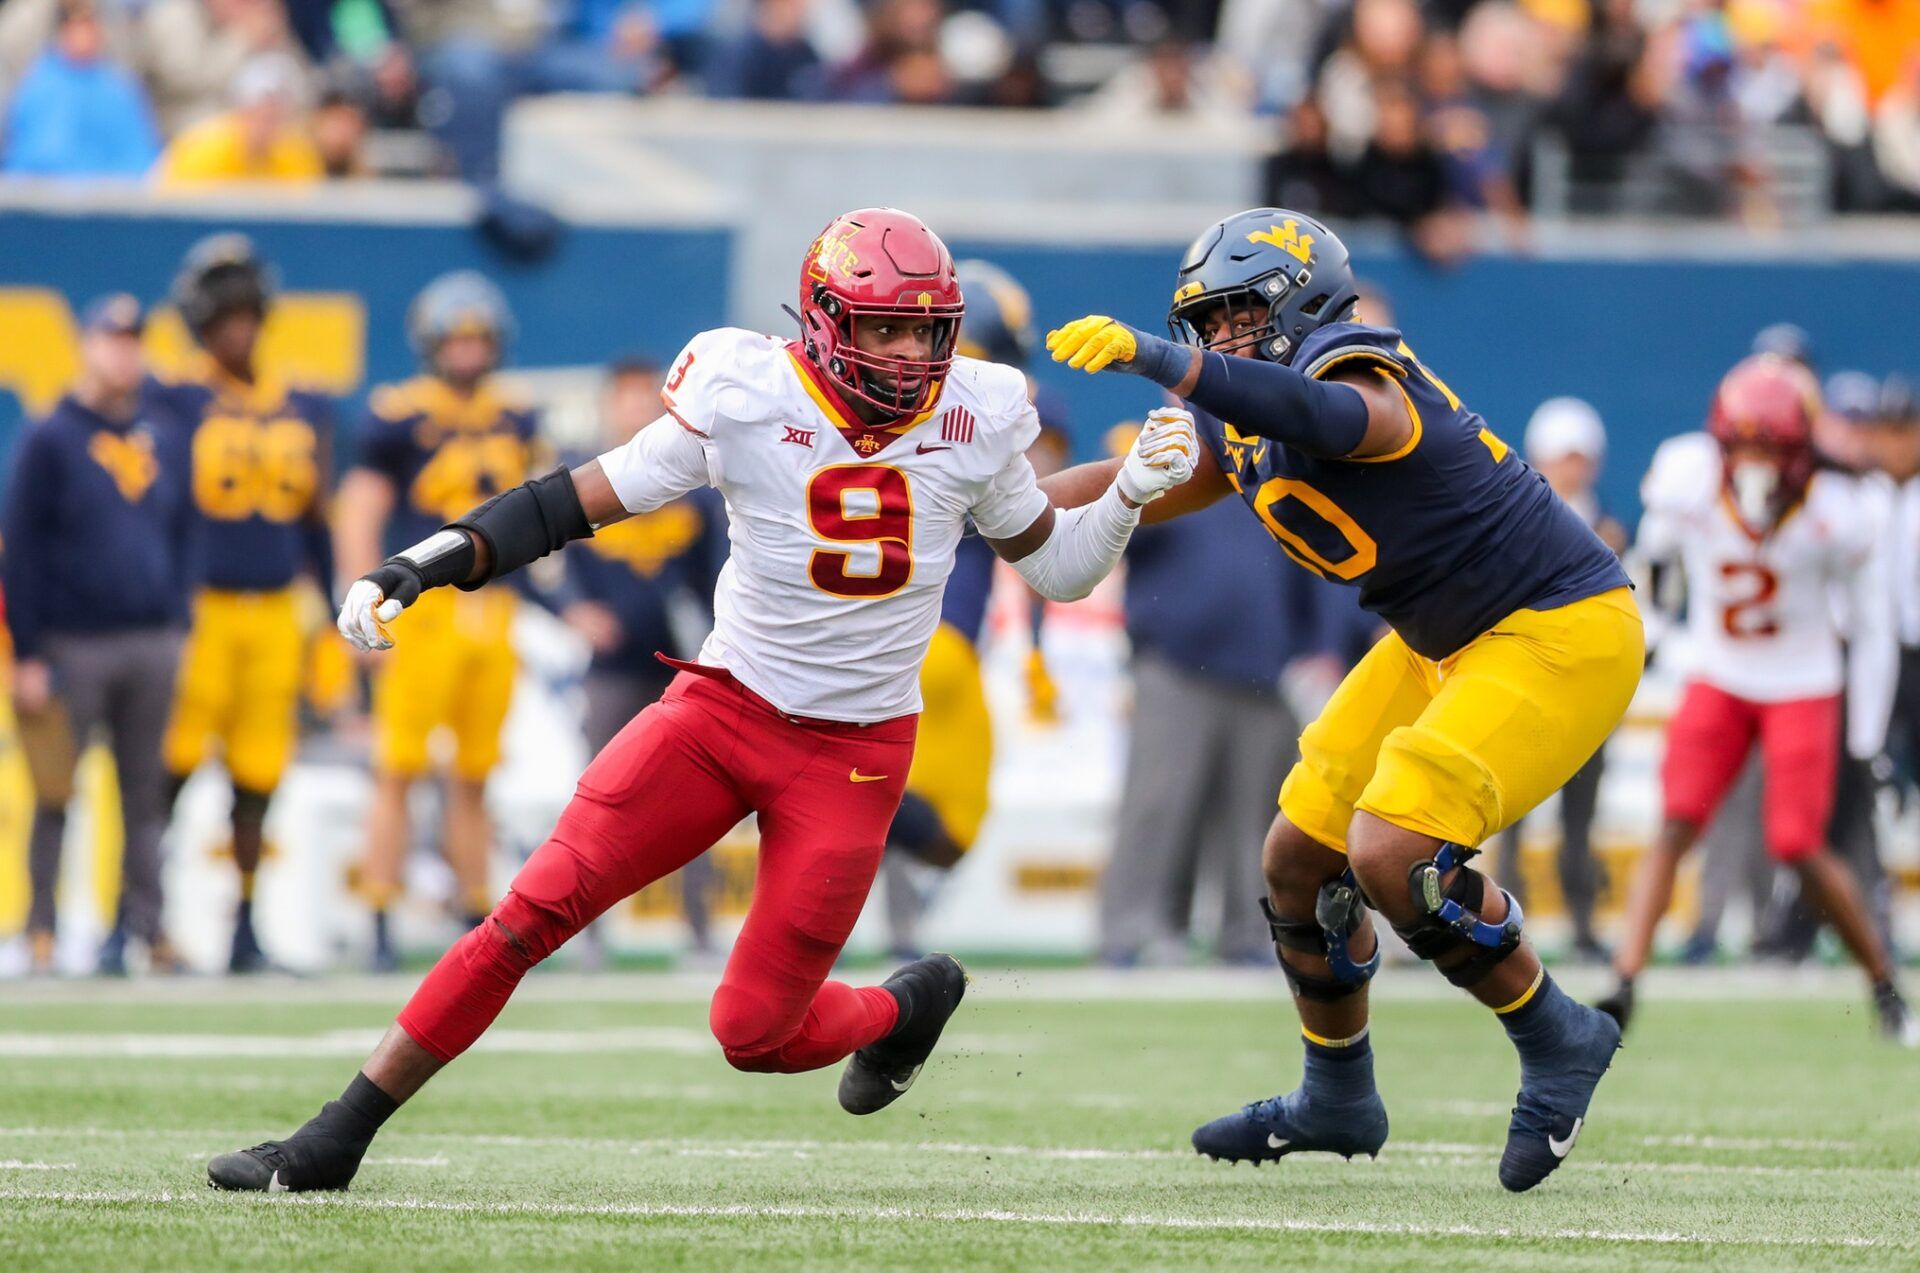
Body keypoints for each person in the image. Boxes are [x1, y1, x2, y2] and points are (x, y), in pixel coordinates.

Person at [206, 207, 1195, 1192]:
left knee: (753, 1032)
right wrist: (422, 563)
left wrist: (1124, 500)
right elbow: (571, 503)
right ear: (821, 322)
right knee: (528, 914)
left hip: (853, 757)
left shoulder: (977, 413)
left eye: (923, 330)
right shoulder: (746, 388)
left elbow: (1058, 571)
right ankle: (335, 1136)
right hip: (723, 713)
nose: (904, 354)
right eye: (880, 327)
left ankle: (901, 1008)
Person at [1042, 207, 1642, 1192]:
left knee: (1391, 848)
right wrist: (972, 511)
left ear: (1302, 298)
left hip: (1555, 626)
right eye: (1208, 322)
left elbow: (1337, 421)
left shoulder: (1360, 371)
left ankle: (1558, 1030)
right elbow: (1131, 482)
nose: (1223, 337)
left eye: (1241, 314)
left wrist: (1164, 360)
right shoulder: (1237, 412)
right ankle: (1337, 1092)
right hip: (1439, 640)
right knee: (1295, 856)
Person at [1602, 356, 1917, 1045]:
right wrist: (1654, 629)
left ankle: (1885, 984)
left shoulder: (1842, 509)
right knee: (1677, 818)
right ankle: (1623, 982)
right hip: (1719, 668)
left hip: (1802, 678)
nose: (1755, 464)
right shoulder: (1687, 478)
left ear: (1801, 449)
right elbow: (1655, 559)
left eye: (1770, 447)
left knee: (1798, 842)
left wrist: (1864, 738)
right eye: (1742, 446)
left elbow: (1870, 630)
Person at [145, 235, 335, 975]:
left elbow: (316, 515)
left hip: (278, 609)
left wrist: (336, 597)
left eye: (246, 313)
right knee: (171, 766)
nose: (238, 327)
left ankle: (244, 927)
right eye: (224, 316)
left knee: (260, 776)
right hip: (203, 609)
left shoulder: (302, 400)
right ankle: (143, 916)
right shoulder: (175, 397)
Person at [334, 271, 533, 971]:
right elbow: (358, 508)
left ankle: (476, 908)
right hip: (423, 610)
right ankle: (381, 911)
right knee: (399, 767)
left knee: (476, 773)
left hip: (494, 611)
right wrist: (363, 596)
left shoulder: (517, 414)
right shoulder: (398, 414)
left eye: (479, 338)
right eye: (458, 338)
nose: (469, 351)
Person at [2, 295, 193, 975]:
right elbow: (20, 550)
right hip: (71, 643)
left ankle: (148, 927)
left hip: (150, 638)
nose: (124, 353)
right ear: (87, 345)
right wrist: (25, 650)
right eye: (112, 339)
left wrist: (180, 621)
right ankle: (41, 930)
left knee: (145, 796)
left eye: (134, 340)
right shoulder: (51, 435)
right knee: (55, 790)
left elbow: (181, 533)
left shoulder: (163, 433)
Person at [562, 355, 727, 965]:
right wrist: (573, 609)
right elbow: (554, 570)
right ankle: (584, 933)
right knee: (597, 801)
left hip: (683, 670)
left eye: (643, 396)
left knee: (696, 803)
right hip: (613, 670)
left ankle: (701, 931)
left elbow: (720, 571)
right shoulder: (585, 481)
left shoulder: (695, 486)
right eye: (624, 396)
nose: (634, 407)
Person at [1488, 397, 1625, 962]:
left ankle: (1583, 921)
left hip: (1587, 692)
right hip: (1530, 688)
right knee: (1514, 815)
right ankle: (1505, 918)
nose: (1571, 468)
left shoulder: (1611, 529)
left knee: (1580, 818)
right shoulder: (1516, 520)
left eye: (1578, 457)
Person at [0, 0, 160, 178]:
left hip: (114, 194)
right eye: (75, 27)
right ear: (62, 32)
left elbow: (137, 155)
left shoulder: (120, 88)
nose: (83, 36)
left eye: (88, 27)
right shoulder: (39, 86)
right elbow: (36, 155)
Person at [152, 52, 324, 188]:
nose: (267, 122)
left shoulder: (296, 153)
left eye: (276, 113)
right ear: (241, 109)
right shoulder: (205, 150)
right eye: (260, 111)